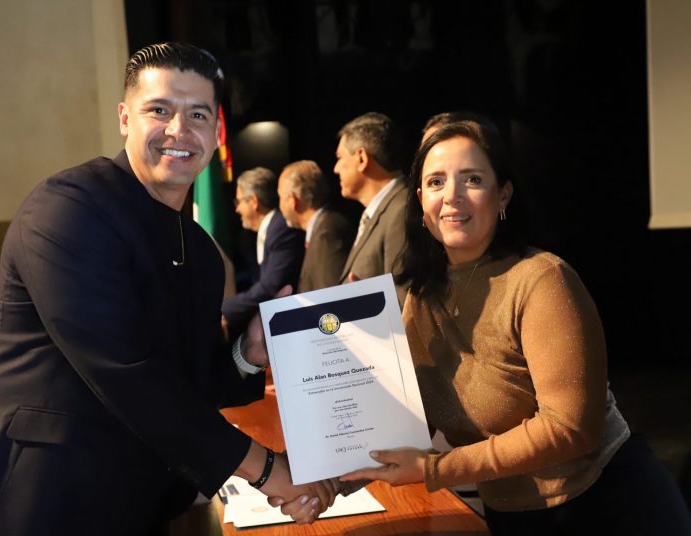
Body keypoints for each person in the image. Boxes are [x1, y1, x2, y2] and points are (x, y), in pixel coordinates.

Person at [0, 43, 335, 535]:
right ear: (125, 118)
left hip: (132, 496)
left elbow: (187, 383)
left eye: (197, 114)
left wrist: (248, 352)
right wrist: (269, 469)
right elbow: (126, 373)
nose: (179, 130)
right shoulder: (68, 208)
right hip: (30, 494)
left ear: (215, 133)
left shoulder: (200, 251)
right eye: (160, 110)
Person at [339, 112, 691, 534]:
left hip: (605, 506)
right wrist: (330, 480)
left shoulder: (543, 279)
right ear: (420, 202)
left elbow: (569, 429)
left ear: (503, 195)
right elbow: (412, 422)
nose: (452, 196)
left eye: (472, 179)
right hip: (512, 514)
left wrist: (436, 468)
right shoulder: (422, 297)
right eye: (436, 182)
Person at [333, 112, 408, 305]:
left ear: (361, 158)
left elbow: (404, 303)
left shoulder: (402, 211)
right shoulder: (383, 211)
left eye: (340, 157)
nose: (336, 168)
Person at [222, 167, 305, 339]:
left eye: (239, 202)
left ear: (254, 201)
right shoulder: (271, 228)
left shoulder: (280, 228)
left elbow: (271, 286)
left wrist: (224, 310)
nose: (237, 210)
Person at [277, 160, 356, 292]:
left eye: (280, 197)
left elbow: (331, 297)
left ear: (293, 200)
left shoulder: (327, 233)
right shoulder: (323, 226)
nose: (279, 205)